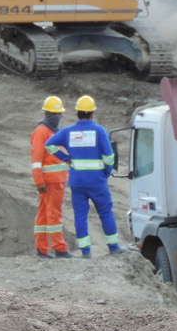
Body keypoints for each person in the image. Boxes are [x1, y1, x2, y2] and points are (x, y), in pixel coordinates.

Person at [46, 95, 122, 257]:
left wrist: (67, 159)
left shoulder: (67, 131)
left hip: (77, 182)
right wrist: (106, 173)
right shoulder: (99, 131)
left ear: (77, 114)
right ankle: (114, 247)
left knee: (80, 215)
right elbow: (109, 157)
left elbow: (49, 145)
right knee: (106, 212)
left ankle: (86, 252)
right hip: (97, 181)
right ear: (92, 114)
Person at [30, 95, 72, 259]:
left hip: (56, 180)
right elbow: (36, 160)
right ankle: (60, 248)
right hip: (50, 182)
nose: (57, 117)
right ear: (47, 114)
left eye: (58, 114)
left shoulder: (54, 132)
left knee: (44, 214)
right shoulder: (42, 132)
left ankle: (42, 248)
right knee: (54, 214)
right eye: (54, 114)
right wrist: (39, 181)